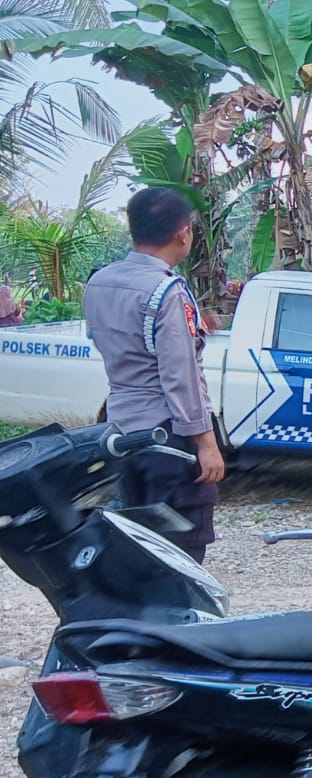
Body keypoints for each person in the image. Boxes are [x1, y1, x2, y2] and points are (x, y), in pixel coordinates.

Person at [82, 187, 226, 562]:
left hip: (120, 428)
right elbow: (180, 374)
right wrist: (206, 443)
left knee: (139, 533)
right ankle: (176, 616)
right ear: (182, 232)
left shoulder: (99, 283)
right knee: (182, 542)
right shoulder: (167, 290)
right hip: (168, 434)